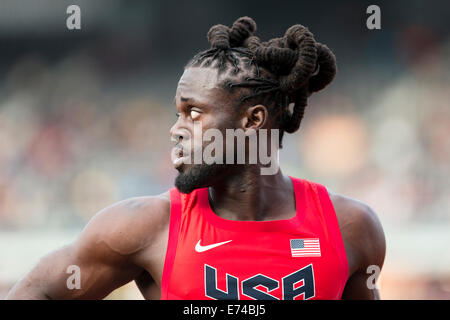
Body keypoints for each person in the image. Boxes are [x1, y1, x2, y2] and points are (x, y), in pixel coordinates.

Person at [6, 17, 385, 300]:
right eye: (177, 113)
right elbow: (35, 293)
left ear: (252, 120)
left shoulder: (350, 227)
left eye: (194, 113)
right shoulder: (143, 226)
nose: (176, 130)